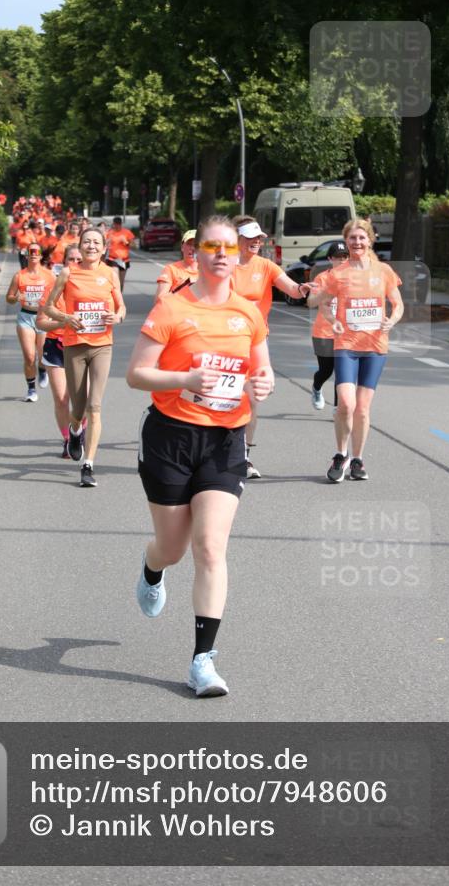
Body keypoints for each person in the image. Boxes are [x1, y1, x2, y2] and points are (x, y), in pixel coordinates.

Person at [126, 215, 274, 697]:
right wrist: (186, 381)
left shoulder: (249, 313)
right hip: (170, 437)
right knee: (172, 548)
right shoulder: (171, 308)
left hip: (225, 439)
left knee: (210, 547)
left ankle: (202, 662)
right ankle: (152, 569)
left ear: (237, 255)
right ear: (198, 253)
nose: (220, 254)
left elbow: (262, 371)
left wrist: (263, 384)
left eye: (228, 247)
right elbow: (137, 375)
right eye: (211, 245)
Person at [315, 218, 404, 482]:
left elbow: (397, 304)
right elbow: (323, 304)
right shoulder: (338, 273)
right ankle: (340, 454)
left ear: (369, 240)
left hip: (375, 347)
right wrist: (334, 321)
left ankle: (358, 459)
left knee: (362, 409)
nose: (357, 243)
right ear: (347, 241)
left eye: (361, 238)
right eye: (352, 239)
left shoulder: (383, 271)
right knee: (345, 403)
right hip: (346, 346)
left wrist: (392, 320)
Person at [42, 226, 125, 487]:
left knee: (94, 406)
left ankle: (88, 465)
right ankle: (75, 430)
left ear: (103, 248)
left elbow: (121, 306)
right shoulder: (68, 273)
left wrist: (118, 316)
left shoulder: (110, 274)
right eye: (87, 242)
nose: (91, 246)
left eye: (96, 242)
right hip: (75, 345)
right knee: (77, 407)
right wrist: (67, 318)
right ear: (80, 246)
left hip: (102, 345)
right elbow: (48, 308)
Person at [232, 217, 311, 479]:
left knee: (253, 398)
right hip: (224, 340)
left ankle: (244, 456)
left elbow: (290, 287)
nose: (256, 242)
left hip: (255, 341)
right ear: (237, 239)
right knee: (226, 396)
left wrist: (303, 288)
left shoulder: (266, 266)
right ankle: (219, 450)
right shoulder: (225, 265)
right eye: (250, 237)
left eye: (259, 238)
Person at [35, 245, 84, 457]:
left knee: (84, 399)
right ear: (63, 263)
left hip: (83, 347)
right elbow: (41, 323)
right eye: (70, 259)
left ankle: (79, 433)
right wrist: (63, 322)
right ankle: (67, 439)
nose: (74, 263)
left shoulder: (91, 288)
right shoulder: (52, 287)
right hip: (56, 347)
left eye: (78, 259)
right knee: (62, 398)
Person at [5, 242, 55, 401]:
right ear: (26, 255)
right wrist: (17, 297)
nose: (33, 253)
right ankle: (31, 390)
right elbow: (9, 298)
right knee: (29, 356)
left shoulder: (49, 275)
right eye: (30, 251)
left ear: (40, 255)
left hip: (43, 318)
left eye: (36, 251)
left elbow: (57, 296)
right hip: (25, 317)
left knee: (42, 356)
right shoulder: (19, 276)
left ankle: (42, 370)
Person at [306, 240, 348, 410]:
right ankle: (316, 388)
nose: (343, 260)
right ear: (331, 259)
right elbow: (311, 302)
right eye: (339, 257)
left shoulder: (355, 279)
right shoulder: (322, 278)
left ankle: (338, 410)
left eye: (346, 256)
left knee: (342, 373)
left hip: (346, 334)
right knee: (326, 370)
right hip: (324, 332)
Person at [155, 229, 198, 298]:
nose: (192, 248)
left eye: (196, 245)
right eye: (189, 244)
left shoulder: (208, 271)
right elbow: (160, 299)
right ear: (182, 247)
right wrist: (183, 287)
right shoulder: (171, 269)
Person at [105, 215, 135, 289]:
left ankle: (119, 296)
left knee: (121, 282)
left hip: (123, 260)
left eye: (119, 224)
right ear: (113, 224)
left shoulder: (127, 232)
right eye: (116, 224)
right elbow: (104, 244)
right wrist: (107, 243)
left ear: (121, 224)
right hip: (112, 259)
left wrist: (126, 242)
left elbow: (134, 245)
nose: (117, 226)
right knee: (114, 280)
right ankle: (113, 297)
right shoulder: (110, 233)